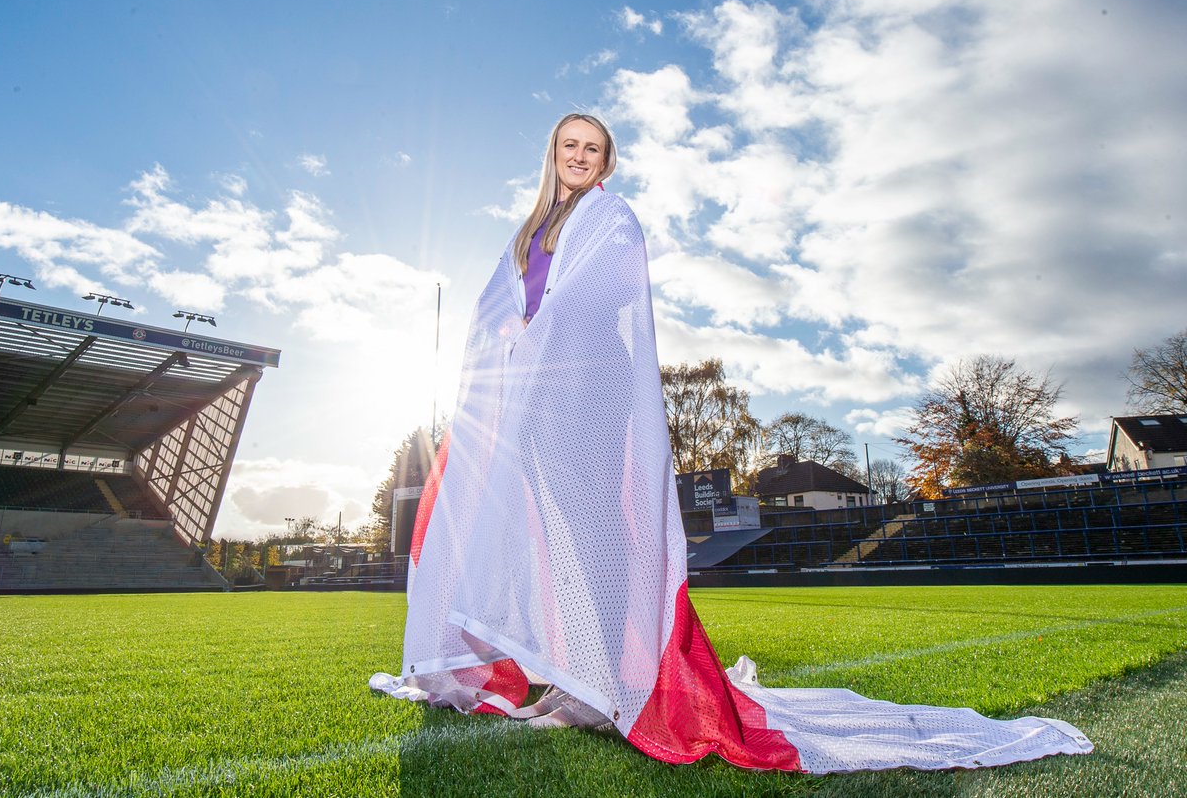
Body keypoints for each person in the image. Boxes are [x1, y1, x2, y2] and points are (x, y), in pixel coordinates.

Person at [371, 114, 1092, 773]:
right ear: (553, 155)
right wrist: (502, 360)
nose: (580, 156)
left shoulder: (611, 219)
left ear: (607, 162)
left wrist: (543, 330)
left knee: (595, 539)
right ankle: (572, 673)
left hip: (584, 393)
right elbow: (497, 313)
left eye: (593, 148)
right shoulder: (528, 233)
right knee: (554, 543)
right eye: (570, 146)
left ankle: (604, 684)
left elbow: (610, 296)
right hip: (532, 404)